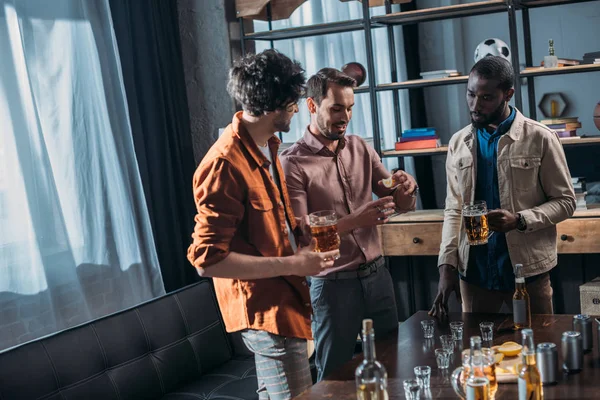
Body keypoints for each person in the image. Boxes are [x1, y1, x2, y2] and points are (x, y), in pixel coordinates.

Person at [187, 49, 339, 400]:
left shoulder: (268, 144)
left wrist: (298, 229)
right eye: (293, 102)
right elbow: (206, 262)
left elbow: (264, 222)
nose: (297, 109)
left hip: (288, 297)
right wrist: (294, 263)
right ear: (277, 105)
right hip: (265, 311)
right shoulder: (224, 164)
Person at [280, 67, 418, 381]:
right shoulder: (292, 164)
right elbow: (302, 238)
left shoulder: (360, 147)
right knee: (333, 378)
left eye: (350, 108)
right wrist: (357, 220)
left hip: (378, 277)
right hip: (332, 286)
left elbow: (400, 202)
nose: (346, 116)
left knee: (392, 363)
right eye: (337, 108)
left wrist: (408, 186)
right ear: (313, 106)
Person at [429, 56, 576, 319]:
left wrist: (520, 220)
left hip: (527, 272)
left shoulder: (541, 138)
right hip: (474, 274)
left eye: (486, 98)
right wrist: (446, 267)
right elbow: (454, 210)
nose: (475, 105)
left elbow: (565, 201)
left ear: (507, 94)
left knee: (538, 350)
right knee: (479, 355)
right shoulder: (458, 142)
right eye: (471, 94)